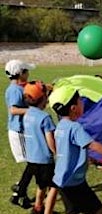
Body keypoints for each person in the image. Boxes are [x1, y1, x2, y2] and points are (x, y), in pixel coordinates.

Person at [48, 85, 102, 214]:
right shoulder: (75, 127)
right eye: (80, 100)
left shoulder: (61, 126)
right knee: (97, 210)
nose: (83, 102)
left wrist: (93, 160)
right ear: (73, 108)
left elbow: (70, 149)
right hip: (72, 181)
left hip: (65, 179)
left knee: (90, 210)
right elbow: (93, 145)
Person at [23, 81, 58, 214]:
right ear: (43, 99)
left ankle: (38, 207)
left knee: (41, 184)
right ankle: (47, 211)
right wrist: (57, 152)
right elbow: (50, 139)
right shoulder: (45, 117)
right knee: (53, 186)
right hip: (45, 159)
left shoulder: (27, 114)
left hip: (32, 158)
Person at [5, 59, 35, 208]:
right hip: (19, 131)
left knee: (33, 163)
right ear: (20, 73)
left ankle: (19, 192)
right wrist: (33, 111)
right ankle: (20, 192)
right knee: (33, 163)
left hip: (23, 130)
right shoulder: (15, 90)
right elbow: (14, 110)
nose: (28, 73)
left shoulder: (18, 88)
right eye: (26, 71)